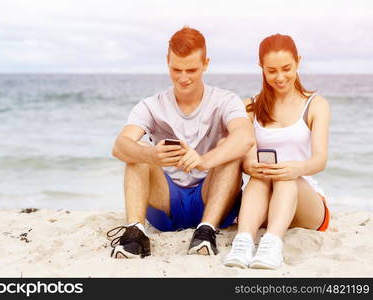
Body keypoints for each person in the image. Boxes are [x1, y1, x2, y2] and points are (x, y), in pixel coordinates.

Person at [108, 26, 254, 259]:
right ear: (167, 62)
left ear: (206, 64)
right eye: (176, 69)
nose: (183, 78)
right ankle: (135, 233)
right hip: (166, 205)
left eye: (191, 70)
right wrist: (151, 156)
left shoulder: (225, 100)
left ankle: (206, 231)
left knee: (229, 149)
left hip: (212, 198)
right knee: (138, 151)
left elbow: (245, 137)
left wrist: (204, 161)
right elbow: (119, 146)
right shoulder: (151, 105)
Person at [224, 33, 331, 269]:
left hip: (306, 204)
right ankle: (243, 242)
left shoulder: (315, 105)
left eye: (286, 68)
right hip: (264, 198)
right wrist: (249, 163)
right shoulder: (249, 106)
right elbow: (245, 154)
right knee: (260, 176)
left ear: (298, 62)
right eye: (271, 70)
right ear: (261, 67)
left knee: (285, 176)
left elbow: (320, 159)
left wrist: (297, 168)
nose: (280, 77)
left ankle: (272, 245)